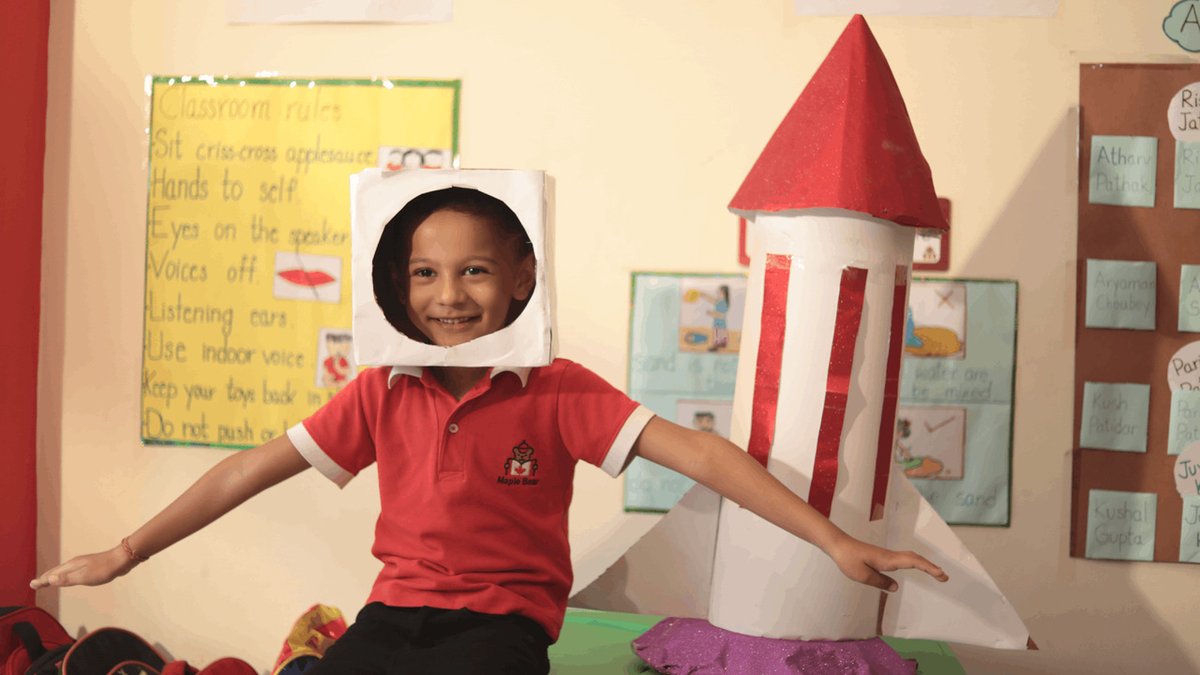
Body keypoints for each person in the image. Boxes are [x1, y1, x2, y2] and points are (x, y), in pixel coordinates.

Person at [31, 186, 948, 674]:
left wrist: (831, 539)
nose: (448, 294)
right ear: (400, 287)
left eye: (473, 269)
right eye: (424, 274)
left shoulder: (556, 390)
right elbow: (250, 470)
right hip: (392, 617)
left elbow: (704, 453)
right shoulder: (385, 388)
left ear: (520, 277)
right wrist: (125, 552)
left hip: (499, 630)